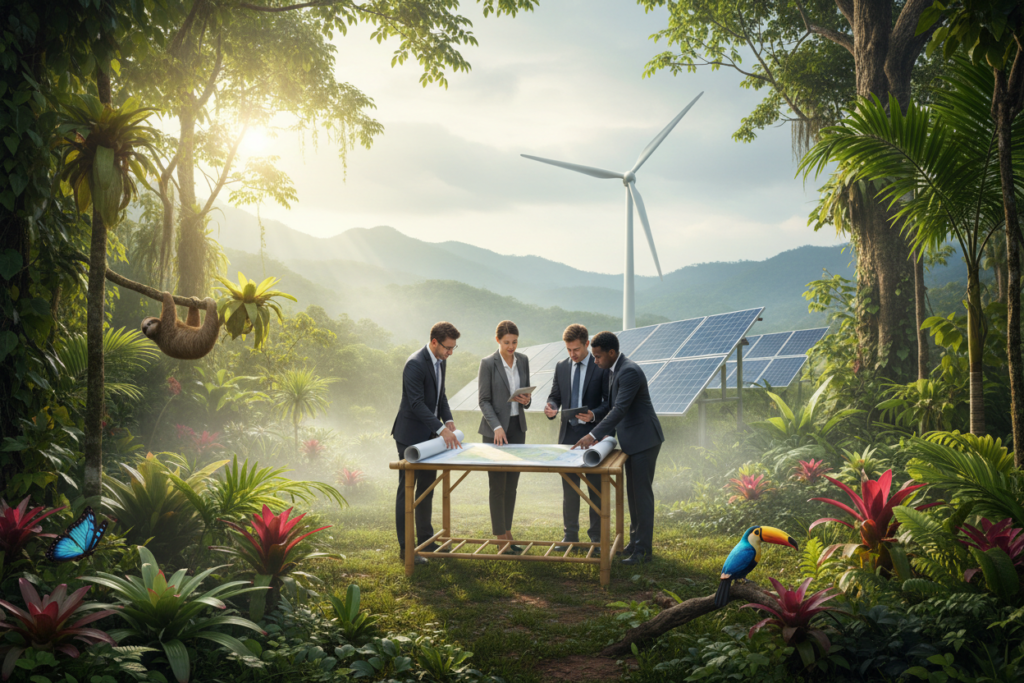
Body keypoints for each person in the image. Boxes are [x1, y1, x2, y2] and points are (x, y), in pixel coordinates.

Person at [573, 331, 664, 565]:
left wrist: (593, 434)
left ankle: (643, 552)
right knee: (633, 495)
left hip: (644, 441)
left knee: (641, 497)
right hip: (633, 441)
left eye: (598, 357)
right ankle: (635, 545)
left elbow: (619, 409)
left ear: (611, 352)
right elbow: (613, 408)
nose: (595, 361)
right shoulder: (615, 369)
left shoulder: (629, 371)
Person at [392, 321, 462, 565]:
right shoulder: (415, 364)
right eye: (447, 348)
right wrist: (442, 429)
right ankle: (406, 549)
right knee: (407, 491)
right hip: (410, 437)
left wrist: (449, 420)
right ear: (434, 342)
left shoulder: (440, 362)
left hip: (431, 438)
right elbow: (416, 403)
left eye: (453, 348)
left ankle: (426, 540)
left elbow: (440, 396)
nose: (450, 353)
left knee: (427, 489)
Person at [544, 324, 608, 552]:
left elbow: (608, 403)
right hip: (568, 438)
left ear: (587, 344)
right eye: (569, 349)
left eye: (577, 349)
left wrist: (593, 415)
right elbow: (555, 395)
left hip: (594, 437)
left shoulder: (601, 365)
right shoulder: (561, 366)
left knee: (595, 490)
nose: (573, 354)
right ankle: (570, 536)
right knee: (569, 489)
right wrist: (551, 407)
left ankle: (597, 540)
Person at [477, 320, 531, 554]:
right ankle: (501, 538)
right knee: (498, 486)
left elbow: (526, 393)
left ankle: (507, 532)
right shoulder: (488, 363)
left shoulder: (524, 360)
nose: (511, 346)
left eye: (515, 342)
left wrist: (527, 401)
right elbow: (483, 400)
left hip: (517, 429)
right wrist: (497, 426)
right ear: (497, 340)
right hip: (495, 433)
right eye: (507, 342)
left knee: (512, 486)